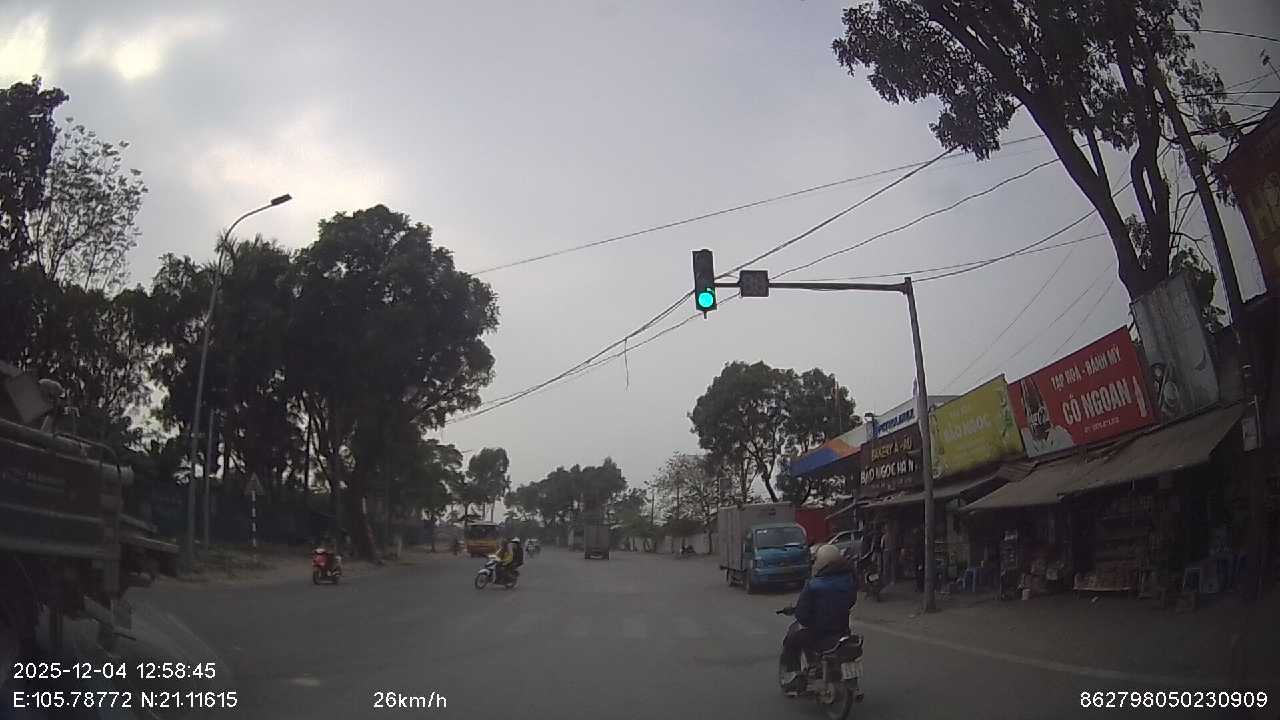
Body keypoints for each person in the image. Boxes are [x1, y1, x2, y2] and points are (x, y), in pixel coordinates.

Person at [780, 544, 857, 695]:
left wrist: (806, 618)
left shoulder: (814, 585)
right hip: (842, 630)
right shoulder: (849, 580)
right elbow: (851, 601)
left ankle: (794, 676)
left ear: (821, 562)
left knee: (791, 640)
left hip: (819, 633)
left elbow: (802, 615)